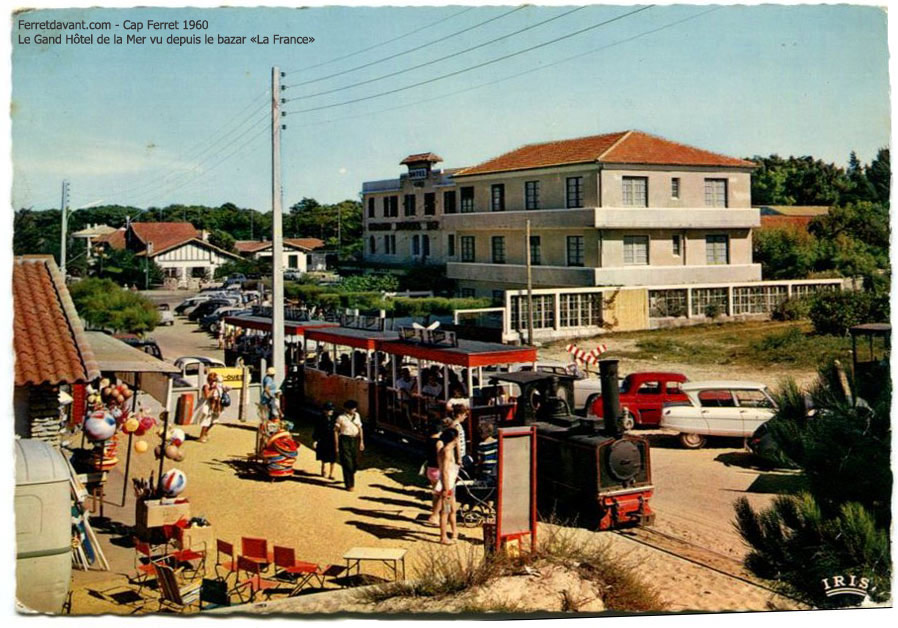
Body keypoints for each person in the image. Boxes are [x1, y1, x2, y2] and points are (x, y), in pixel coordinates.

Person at [334, 400, 364, 491]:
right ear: (346, 409)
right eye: (352, 408)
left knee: (355, 463)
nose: (354, 410)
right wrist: (337, 445)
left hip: (355, 440)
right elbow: (335, 431)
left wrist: (362, 441)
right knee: (347, 463)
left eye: (354, 408)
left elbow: (360, 428)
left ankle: (351, 474)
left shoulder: (357, 416)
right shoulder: (341, 418)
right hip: (344, 440)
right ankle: (349, 485)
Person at [436, 427, 460, 545]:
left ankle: (455, 532)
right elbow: (445, 471)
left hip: (450, 484)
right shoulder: (447, 451)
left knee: (452, 510)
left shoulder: (444, 449)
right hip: (447, 486)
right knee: (445, 511)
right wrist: (446, 489)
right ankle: (443, 536)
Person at [424, 419, 444, 526]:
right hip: (437, 470)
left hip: (430, 470)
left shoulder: (428, 440)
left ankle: (435, 512)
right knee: (441, 494)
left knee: (435, 494)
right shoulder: (439, 442)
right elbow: (440, 458)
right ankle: (435, 515)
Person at [199, 373, 226, 443]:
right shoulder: (206, 386)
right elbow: (207, 395)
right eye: (212, 380)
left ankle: (205, 433)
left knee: (214, 421)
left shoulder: (217, 386)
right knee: (206, 421)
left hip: (214, 406)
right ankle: (201, 436)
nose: (214, 382)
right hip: (207, 405)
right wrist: (213, 389)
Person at [313, 402, 338, 479]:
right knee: (324, 456)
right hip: (323, 439)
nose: (331, 411)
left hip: (333, 439)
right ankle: (323, 469)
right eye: (329, 410)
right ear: (325, 411)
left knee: (333, 457)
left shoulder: (335, 418)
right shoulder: (320, 419)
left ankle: (331, 474)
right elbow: (317, 430)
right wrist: (315, 440)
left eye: (331, 410)